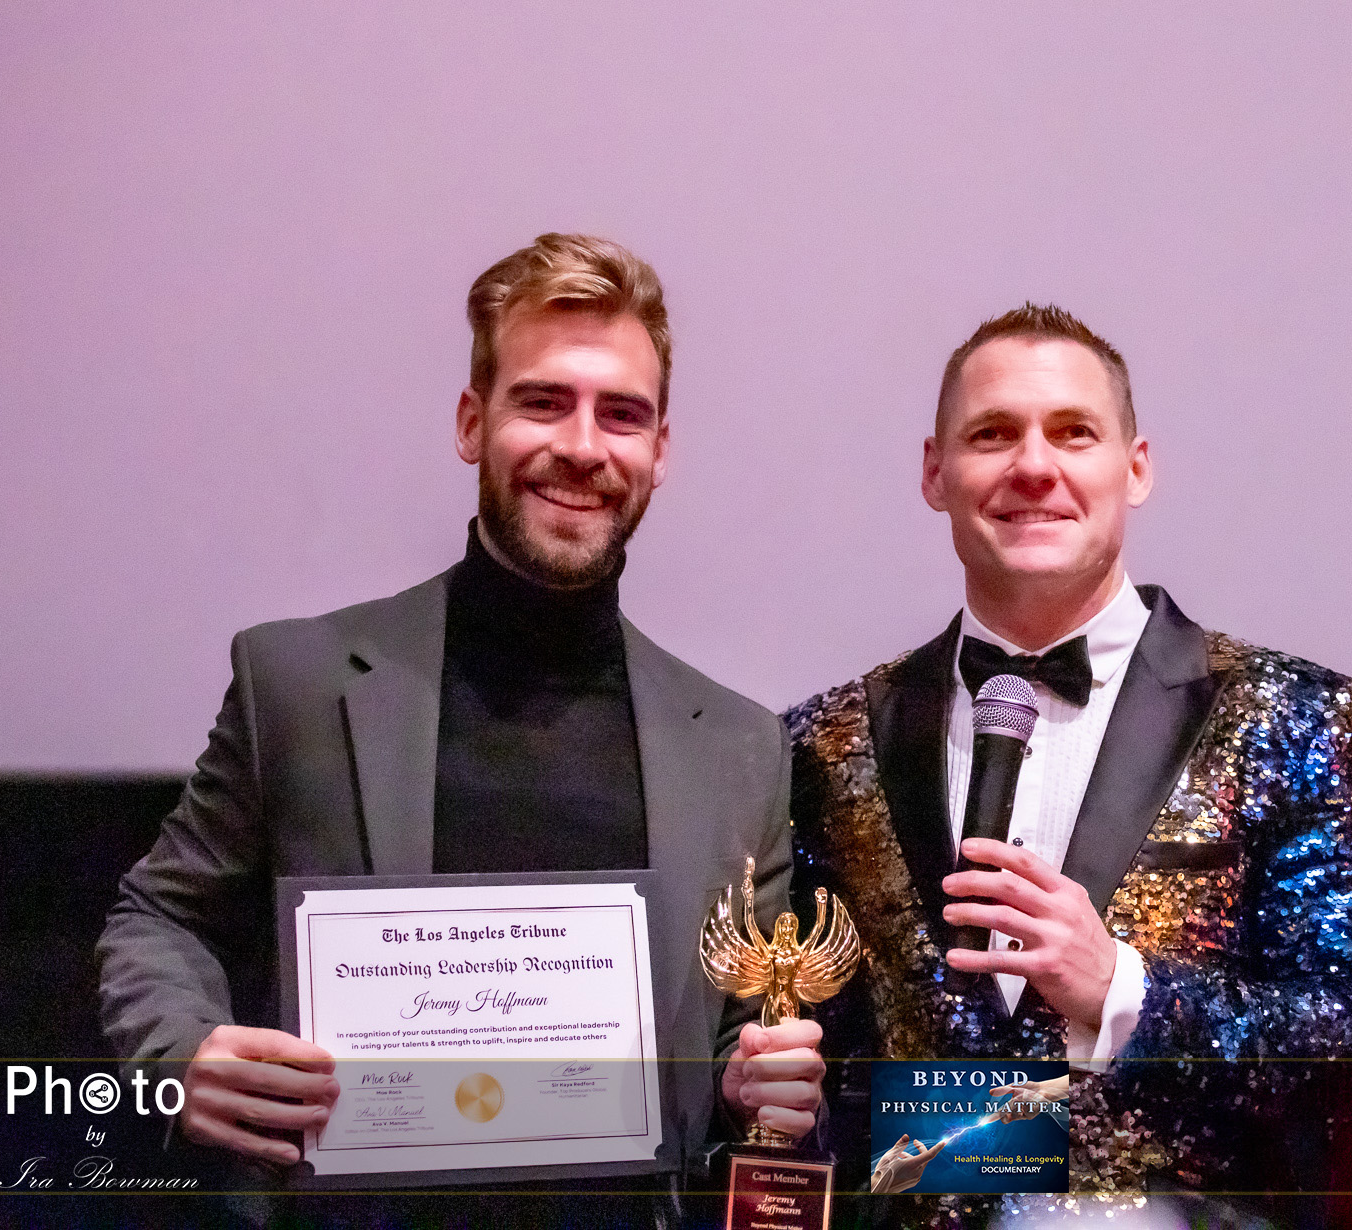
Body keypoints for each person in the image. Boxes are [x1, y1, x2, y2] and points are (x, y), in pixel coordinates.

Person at [95, 234, 823, 1217]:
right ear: (472, 423)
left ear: (659, 450)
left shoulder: (739, 748)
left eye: (621, 414)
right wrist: (183, 1056)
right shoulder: (299, 684)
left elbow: (736, 1034)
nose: (582, 446)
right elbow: (159, 917)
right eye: (542, 402)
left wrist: (750, 1082)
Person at [783, 304, 1352, 1224]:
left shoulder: (1291, 716)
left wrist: (1123, 991)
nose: (1033, 466)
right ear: (935, 472)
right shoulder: (824, 742)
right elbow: (826, 1063)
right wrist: (780, 1099)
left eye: (1073, 432)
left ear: (1136, 466)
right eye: (992, 434)